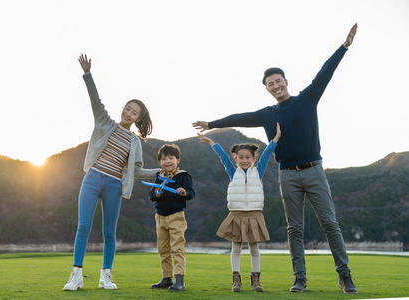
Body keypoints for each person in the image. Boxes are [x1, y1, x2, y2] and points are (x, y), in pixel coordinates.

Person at [193, 24, 358, 294]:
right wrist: (211, 123)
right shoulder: (267, 114)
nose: (275, 85)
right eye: (271, 84)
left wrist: (344, 47)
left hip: (314, 169)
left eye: (278, 81)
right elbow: (239, 117)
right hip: (288, 174)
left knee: (329, 222)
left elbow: (324, 74)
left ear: (286, 82)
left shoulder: (306, 99)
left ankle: (345, 275)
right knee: (295, 228)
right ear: (268, 89)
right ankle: (300, 279)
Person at [63, 54, 161, 291]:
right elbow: (95, 100)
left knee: (109, 232)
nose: (128, 114)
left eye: (134, 113)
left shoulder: (135, 142)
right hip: (94, 177)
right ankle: (75, 275)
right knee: (83, 227)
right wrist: (87, 74)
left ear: (139, 119)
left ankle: (105, 276)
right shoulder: (105, 122)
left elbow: (135, 171)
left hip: (115, 185)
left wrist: (159, 172)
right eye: (127, 109)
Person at [198, 123, 280, 292]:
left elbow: (267, 153)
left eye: (247, 157)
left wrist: (277, 137)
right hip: (236, 214)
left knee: (254, 249)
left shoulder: (259, 170)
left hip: (255, 214)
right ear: (235, 159)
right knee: (235, 248)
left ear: (253, 159)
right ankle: (236, 281)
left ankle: (255, 281)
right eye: (240, 157)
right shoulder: (232, 170)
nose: (244, 160)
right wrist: (211, 142)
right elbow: (222, 156)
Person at [148, 144, 195, 292]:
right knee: (163, 249)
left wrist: (183, 193)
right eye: (164, 159)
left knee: (177, 248)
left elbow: (191, 193)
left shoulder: (183, 175)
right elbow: (151, 196)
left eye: (171, 158)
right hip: (160, 216)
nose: (167, 161)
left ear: (178, 159)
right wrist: (158, 194)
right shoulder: (159, 177)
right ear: (160, 162)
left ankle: (179, 280)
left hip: (176, 215)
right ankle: (167, 278)